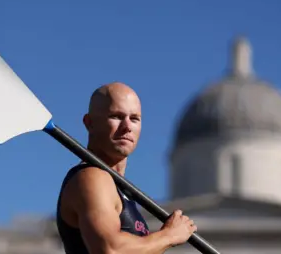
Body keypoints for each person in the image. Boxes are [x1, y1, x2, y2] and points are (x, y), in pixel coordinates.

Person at [56, 82, 197, 254]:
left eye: (134, 119)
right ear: (89, 123)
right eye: (116, 116)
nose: (127, 127)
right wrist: (169, 236)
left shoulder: (121, 191)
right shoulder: (92, 177)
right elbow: (110, 249)